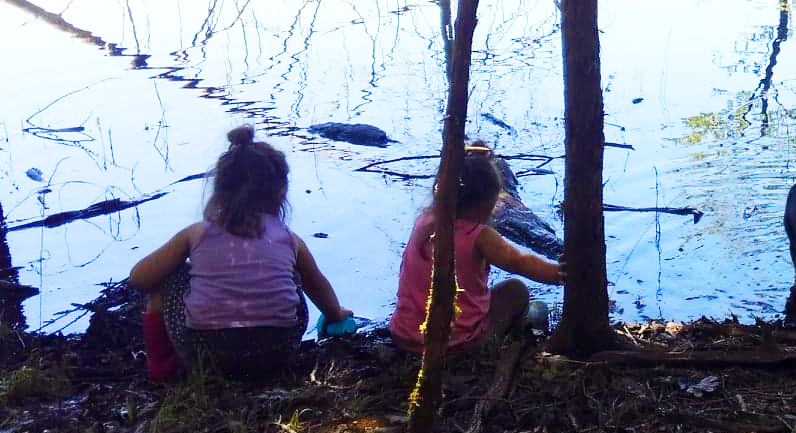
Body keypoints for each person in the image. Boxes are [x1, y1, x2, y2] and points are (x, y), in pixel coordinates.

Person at [128, 125, 353, 383]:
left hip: (207, 355)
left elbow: (139, 278)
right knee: (295, 274)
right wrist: (336, 315)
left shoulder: (196, 234)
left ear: (219, 190)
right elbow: (317, 285)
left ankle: (162, 369)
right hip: (278, 351)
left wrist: (187, 275)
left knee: (168, 276)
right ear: (281, 193)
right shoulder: (289, 239)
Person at [390, 143, 565, 353]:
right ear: (483, 205)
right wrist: (559, 274)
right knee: (515, 291)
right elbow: (520, 262)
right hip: (456, 344)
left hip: (404, 336)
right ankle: (513, 337)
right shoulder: (479, 236)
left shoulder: (424, 222)